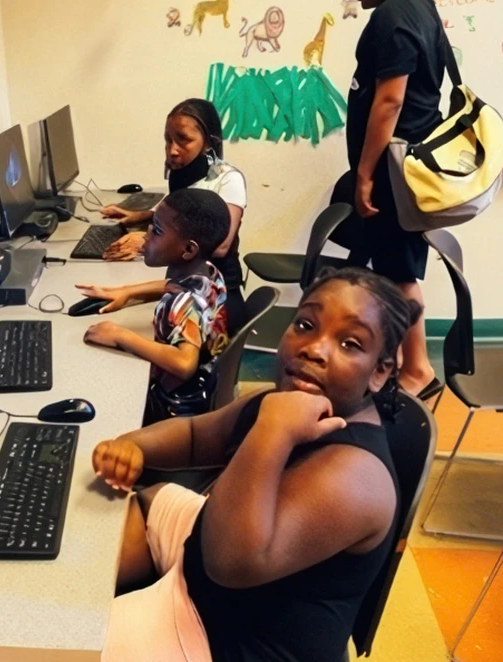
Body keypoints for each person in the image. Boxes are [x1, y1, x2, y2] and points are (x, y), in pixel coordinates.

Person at [93, 267, 420, 662]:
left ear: (379, 372)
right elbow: (195, 438)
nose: (314, 348)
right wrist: (132, 449)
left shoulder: (357, 476)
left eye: (350, 344)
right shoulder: (276, 404)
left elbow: (230, 563)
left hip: (225, 637)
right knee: (145, 502)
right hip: (208, 572)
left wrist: (273, 431)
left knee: (68, 641)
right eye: (305, 324)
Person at [343, 0, 444, 400]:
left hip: (393, 170)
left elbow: (390, 100)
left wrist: (365, 173)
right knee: (393, 269)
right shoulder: (422, 9)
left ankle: (418, 370)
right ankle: (402, 364)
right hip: (406, 168)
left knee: (399, 272)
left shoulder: (395, 15)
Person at [81, 188, 231, 424]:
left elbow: (184, 364)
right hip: (205, 388)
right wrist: (128, 292)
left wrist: (121, 336)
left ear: (188, 250)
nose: (146, 234)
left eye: (157, 230)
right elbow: (171, 286)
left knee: (96, 387)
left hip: (175, 411)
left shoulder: (183, 303)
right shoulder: (208, 273)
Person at [101, 98, 248, 334]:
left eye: (184, 140)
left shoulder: (229, 179)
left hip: (216, 301)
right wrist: (142, 216)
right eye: (168, 140)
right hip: (182, 289)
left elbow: (221, 245)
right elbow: (183, 218)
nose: (173, 149)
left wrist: (145, 242)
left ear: (208, 143)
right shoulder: (183, 174)